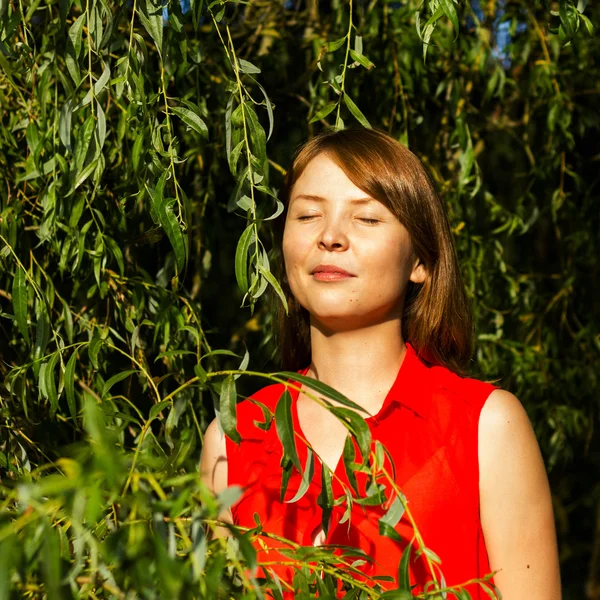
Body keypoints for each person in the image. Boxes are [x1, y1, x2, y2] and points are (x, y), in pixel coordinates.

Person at [200, 127, 561, 598]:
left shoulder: (484, 427)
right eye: (307, 214)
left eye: (366, 219)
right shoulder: (234, 441)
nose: (330, 236)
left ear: (420, 262)